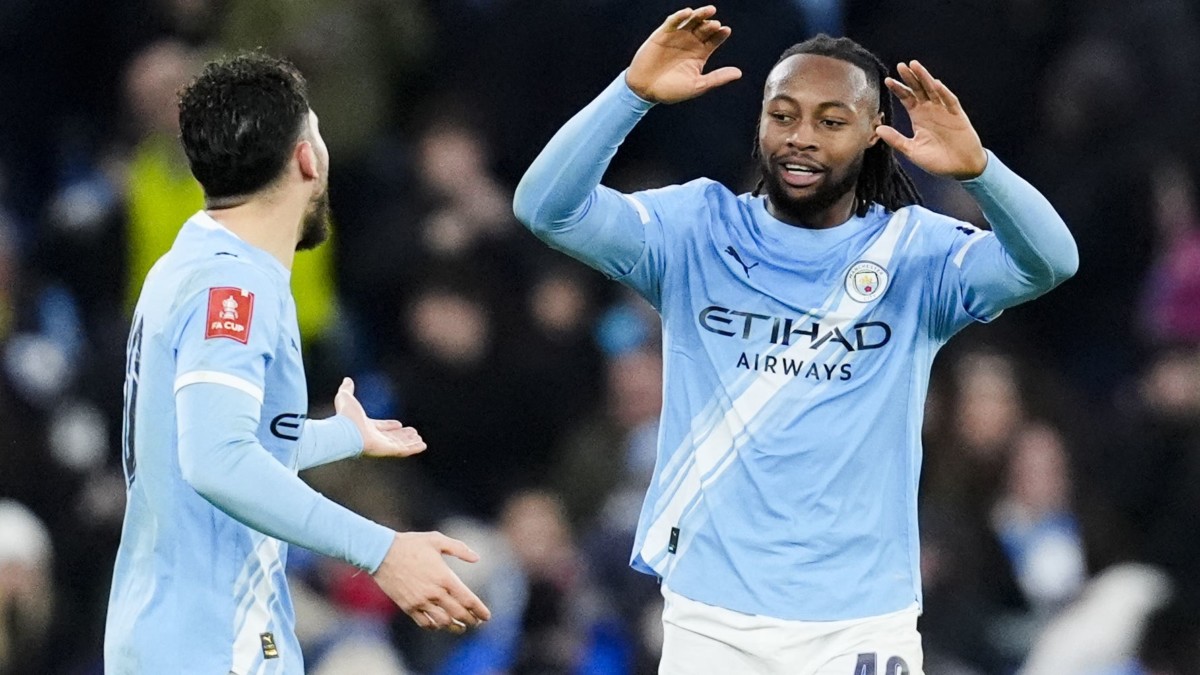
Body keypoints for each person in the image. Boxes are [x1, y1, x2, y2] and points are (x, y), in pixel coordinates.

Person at [513, 6, 1078, 673]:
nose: (801, 137)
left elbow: (1051, 261)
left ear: (873, 132)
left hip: (861, 622)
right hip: (712, 619)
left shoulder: (914, 253)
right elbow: (544, 208)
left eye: (831, 121)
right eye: (782, 115)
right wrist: (630, 94)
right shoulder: (695, 229)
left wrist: (979, 170)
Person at [104, 53, 490, 675]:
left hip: (184, 635)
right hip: (213, 644)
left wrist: (341, 436)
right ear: (307, 159)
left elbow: (200, 444)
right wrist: (381, 550)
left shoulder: (191, 264)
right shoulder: (232, 288)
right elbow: (216, 460)